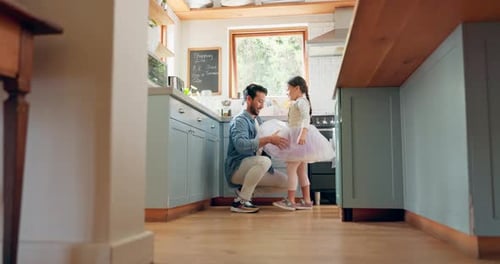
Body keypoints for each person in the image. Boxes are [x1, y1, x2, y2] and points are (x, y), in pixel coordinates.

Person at [259, 76, 335, 211]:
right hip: (299, 138)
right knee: (301, 172)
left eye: (288, 90)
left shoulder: (301, 102)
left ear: (297, 88)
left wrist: (303, 133)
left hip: (298, 138)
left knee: (291, 169)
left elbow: (306, 119)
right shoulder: (300, 102)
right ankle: (306, 201)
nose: (287, 93)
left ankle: (291, 200)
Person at [224, 83, 290, 213]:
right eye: (259, 101)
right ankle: (241, 201)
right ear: (249, 99)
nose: (262, 105)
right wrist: (269, 139)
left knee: (287, 182)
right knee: (265, 161)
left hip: (252, 166)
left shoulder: (257, 120)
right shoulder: (240, 120)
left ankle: (242, 192)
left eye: (263, 101)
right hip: (237, 168)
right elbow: (241, 146)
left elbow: (261, 145)